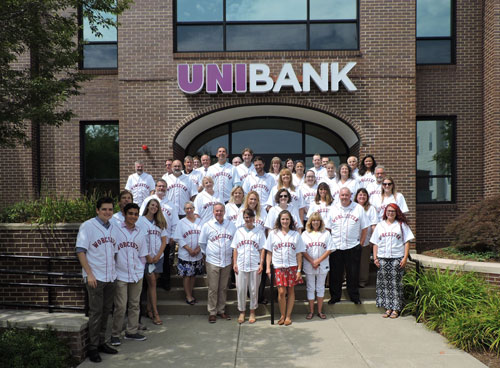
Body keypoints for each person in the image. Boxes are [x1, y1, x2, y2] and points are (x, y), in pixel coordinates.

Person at [76, 197, 118, 363]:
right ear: (97, 210)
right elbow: (80, 251)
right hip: (95, 277)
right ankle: (93, 347)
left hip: (110, 277)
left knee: (107, 311)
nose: (107, 212)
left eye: (110, 209)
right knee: (96, 313)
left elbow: (114, 252)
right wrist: (89, 274)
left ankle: (101, 342)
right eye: (104, 209)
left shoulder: (114, 226)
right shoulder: (87, 226)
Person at [111, 203, 148, 346]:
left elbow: (142, 254)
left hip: (136, 273)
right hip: (120, 274)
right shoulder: (117, 230)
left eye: (136, 214)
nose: (133, 216)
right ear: (125, 214)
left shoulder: (140, 231)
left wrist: (140, 269)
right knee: (120, 306)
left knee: (134, 304)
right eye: (130, 213)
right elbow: (113, 252)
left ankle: (131, 332)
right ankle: (115, 333)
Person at [325, 187, 369, 305]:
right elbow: (327, 228)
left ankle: (354, 296)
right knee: (335, 274)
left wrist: (360, 244)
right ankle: (335, 296)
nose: (344, 197)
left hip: (353, 246)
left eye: (346, 195)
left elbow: (365, 228)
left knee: (353, 273)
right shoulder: (333, 209)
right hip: (336, 246)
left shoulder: (358, 208)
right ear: (339, 196)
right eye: (342, 195)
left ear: (350, 196)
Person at [371, 203, 414, 319]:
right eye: (388, 211)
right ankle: (388, 308)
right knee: (384, 284)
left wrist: (405, 258)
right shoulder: (380, 225)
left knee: (396, 284)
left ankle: (396, 308)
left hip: (397, 258)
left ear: (396, 213)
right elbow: (375, 243)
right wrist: (375, 258)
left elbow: (407, 242)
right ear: (385, 212)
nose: (390, 213)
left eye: (393, 211)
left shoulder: (401, 225)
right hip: (382, 258)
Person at [265, 210, 305, 326]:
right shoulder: (273, 234)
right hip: (278, 266)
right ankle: (282, 315)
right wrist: (268, 267)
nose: (285, 221)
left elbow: (299, 254)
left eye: (287, 219)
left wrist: (299, 269)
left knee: (291, 291)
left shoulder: (295, 234)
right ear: (279, 220)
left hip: (292, 266)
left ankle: (288, 316)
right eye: (283, 219)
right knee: (281, 292)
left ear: (290, 220)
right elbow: (269, 252)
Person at [199, 203, 237, 323]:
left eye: (221, 211)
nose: (219, 213)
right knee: (213, 288)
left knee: (223, 288)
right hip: (212, 261)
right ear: (213, 212)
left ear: (224, 212)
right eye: (217, 211)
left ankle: (221, 310)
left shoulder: (231, 225)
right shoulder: (207, 225)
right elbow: (202, 243)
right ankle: (212, 311)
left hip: (226, 261)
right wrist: (209, 254)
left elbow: (234, 243)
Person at [140, 180, 179, 291]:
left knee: (165, 261)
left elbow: (175, 222)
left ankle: (165, 283)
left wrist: (172, 236)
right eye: (159, 186)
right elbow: (141, 217)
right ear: (155, 187)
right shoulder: (148, 201)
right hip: (148, 239)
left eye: (164, 187)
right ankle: (146, 286)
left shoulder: (171, 204)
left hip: (164, 238)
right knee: (147, 263)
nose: (161, 188)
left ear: (167, 188)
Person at [231, 209, 266, 324]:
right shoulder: (239, 231)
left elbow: (262, 249)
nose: (248, 219)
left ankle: (252, 311)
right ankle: (242, 311)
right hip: (241, 264)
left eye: (250, 217)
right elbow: (235, 248)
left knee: (253, 289)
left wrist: (261, 263)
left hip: (254, 264)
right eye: (246, 217)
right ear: (243, 218)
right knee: (241, 289)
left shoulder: (259, 232)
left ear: (254, 218)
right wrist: (234, 263)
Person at [235, 191, 268, 304]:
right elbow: (238, 229)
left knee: (260, 272)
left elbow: (267, 228)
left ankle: (260, 296)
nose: (253, 201)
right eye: (251, 199)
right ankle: (249, 297)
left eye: (255, 199)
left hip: (260, 243)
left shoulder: (262, 212)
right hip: (245, 245)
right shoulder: (241, 212)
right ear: (247, 200)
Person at [301, 212, 333, 320]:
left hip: (322, 264)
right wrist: (312, 261)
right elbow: (303, 250)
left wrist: (318, 261)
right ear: (310, 222)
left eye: (317, 220)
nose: (315, 222)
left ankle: (319, 311)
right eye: (313, 220)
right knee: (310, 288)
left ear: (321, 222)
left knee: (320, 288)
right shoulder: (305, 234)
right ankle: (311, 311)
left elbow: (329, 249)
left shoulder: (326, 233)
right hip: (309, 264)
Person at [141, 198, 168, 326]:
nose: (154, 208)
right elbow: (139, 240)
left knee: (153, 283)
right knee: (151, 283)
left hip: (158, 258)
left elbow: (164, 241)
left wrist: (158, 256)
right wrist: (147, 257)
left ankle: (148, 309)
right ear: (148, 206)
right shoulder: (141, 221)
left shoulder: (160, 222)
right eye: (152, 205)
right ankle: (156, 314)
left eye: (156, 206)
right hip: (146, 258)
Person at [174, 201, 203, 305]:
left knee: (193, 275)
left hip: (197, 253)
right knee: (187, 275)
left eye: (191, 208)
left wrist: (198, 249)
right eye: (187, 208)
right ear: (184, 210)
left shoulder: (200, 222)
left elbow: (204, 237)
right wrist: (189, 249)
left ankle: (190, 293)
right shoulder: (181, 222)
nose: (189, 210)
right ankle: (188, 296)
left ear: (194, 209)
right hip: (186, 254)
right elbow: (178, 237)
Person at [354, 188, 378, 288]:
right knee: (352, 262)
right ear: (356, 197)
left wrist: (373, 239)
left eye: (364, 195)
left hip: (366, 240)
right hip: (353, 240)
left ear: (367, 197)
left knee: (364, 262)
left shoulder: (371, 208)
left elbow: (373, 225)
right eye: (360, 195)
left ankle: (362, 281)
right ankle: (351, 280)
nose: (362, 197)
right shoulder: (353, 207)